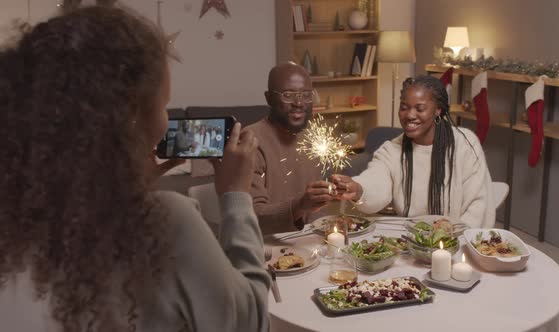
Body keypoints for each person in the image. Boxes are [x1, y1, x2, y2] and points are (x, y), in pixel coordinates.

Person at [0, 6, 269, 332]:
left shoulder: (16, 225)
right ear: (130, 117)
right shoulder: (168, 222)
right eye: (163, 104)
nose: (167, 120)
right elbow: (250, 323)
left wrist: (127, 187)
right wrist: (236, 196)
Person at [331, 75, 495, 228]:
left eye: (420, 108)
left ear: (437, 109)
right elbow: (376, 182)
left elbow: (478, 204)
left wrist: (454, 238)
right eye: (404, 107)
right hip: (412, 241)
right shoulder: (391, 150)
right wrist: (358, 189)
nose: (410, 115)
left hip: (460, 241)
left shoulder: (465, 143)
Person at [248, 63, 334, 234]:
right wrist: (299, 206)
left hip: (312, 244)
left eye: (306, 94)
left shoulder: (312, 136)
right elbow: (252, 218)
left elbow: (318, 213)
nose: (299, 103)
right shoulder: (250, 142)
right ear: (269, 98)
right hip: (269, 248)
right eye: (288, 95)